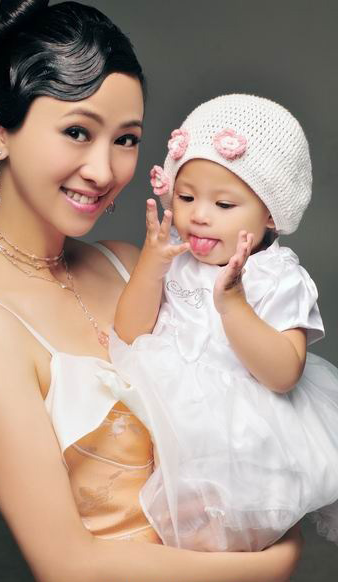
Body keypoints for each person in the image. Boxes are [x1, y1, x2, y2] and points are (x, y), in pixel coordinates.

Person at [0, 2, 302, 580]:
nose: (104, 171)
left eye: (126, 139)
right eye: (76, 132)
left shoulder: (129, 264)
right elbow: (67, 565)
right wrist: (275, 564)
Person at [111, 94, 338, 553]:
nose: (199, 215)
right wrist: (151, 266)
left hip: (244, 438)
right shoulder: (176, 255)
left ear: (269, 213)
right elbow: (129, 333)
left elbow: (283, 373)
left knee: (223, 543)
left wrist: (234, 304)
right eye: (186, 196)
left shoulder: (277, 276)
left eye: (224, 204)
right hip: (166, 418)